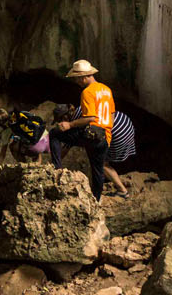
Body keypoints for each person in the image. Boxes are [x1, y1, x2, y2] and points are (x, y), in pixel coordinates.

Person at [52, 59, 122, 200]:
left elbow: (90, 118)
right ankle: (97, 199)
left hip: (92, 133)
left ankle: (56, 170)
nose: (77, 82)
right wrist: (107, 130)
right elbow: (112, 114)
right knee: (98, 169)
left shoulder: (87, 92)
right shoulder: (106, 90)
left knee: (55, 133)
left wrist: (69, 125)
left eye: (77, 79)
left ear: (84, 77)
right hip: (105, 136)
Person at [52, 103, 134, 196]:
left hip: (118, 132)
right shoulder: (81, 108)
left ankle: (122, 191)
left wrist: (53, 165)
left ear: (65, 118)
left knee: (101, 164)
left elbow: (66, 147)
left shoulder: (77, 122)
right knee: (101, 156)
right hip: (125, 122)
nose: (60, 125)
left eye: (59, 121)